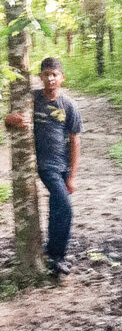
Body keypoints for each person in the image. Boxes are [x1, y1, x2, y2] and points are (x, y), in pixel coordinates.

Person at [4, 57, 82, 275]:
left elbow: (75, 141)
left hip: (63, 165)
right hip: (45, 165)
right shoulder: (32, 100)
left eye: (54, 75)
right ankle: (56, 256)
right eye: (46, 74)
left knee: (58, 207)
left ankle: (52, 254)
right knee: (64, 206)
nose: (50, 79)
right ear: (40, 77)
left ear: (62, 78)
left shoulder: (69, 105)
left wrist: (73, 176)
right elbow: (9, 120)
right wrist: (11, 120)